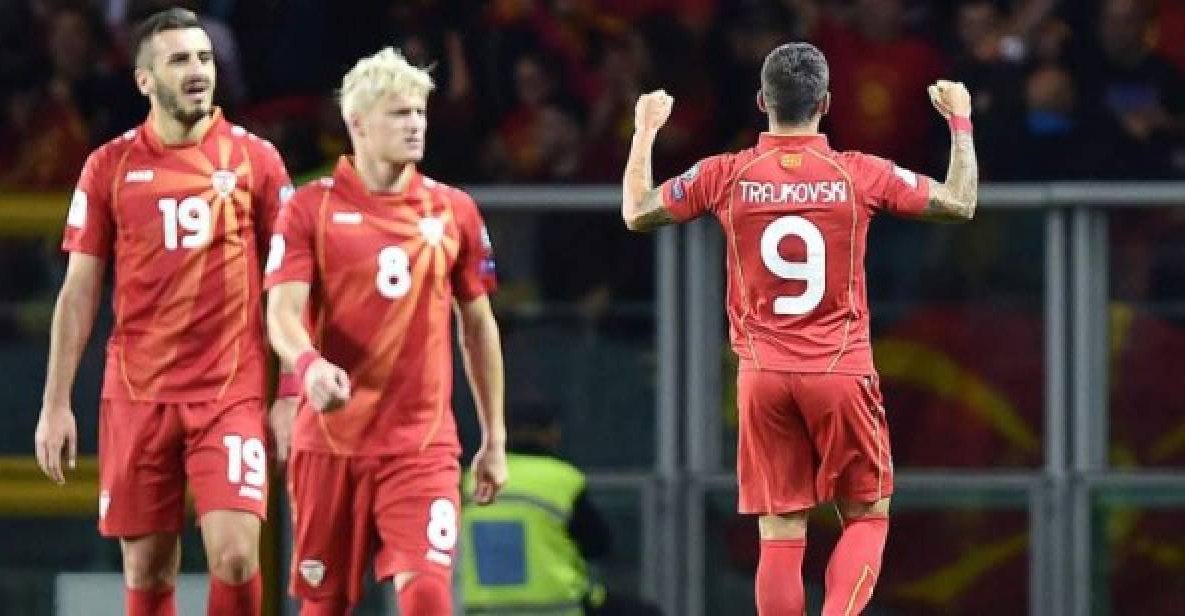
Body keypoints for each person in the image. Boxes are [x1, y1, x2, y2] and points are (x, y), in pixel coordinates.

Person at [620, 43, 978, 615]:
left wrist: (645, 130)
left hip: (762, 377)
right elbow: (960, 203)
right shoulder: (858, 172)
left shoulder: (727, 173)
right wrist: (959, 120)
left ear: (763, 102)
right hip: (840, 369)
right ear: (827, 103)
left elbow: (637, 210)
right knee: (866, 514)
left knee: (780, 529)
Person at [32, 8, 294, 616]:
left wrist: (290, 391)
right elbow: (78, 291)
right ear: (144, 80)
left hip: (230, 390)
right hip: (137, 392)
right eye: (179, 60)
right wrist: (54, 402)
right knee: (146, 570)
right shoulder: (108, 167)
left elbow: (291, 284)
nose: (198, 71)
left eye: (204, 58)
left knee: (234, 556)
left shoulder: (258, 161)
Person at [264, 47, 508, 616]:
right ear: (357, 123)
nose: (415, 125)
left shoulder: (455, 210)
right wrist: (309, 366)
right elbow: (280, 312)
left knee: (426, 595)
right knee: (326, 606)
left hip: (420, 448)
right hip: (329, 444)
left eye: (419, 113)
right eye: (399, 114)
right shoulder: (308, 208)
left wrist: (494, 438)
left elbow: (478, 326)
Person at [460, 399, 659, 616]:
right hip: (559, 608)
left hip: (483, 610)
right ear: (551, 433)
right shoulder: (561, 480)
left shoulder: (471, 481)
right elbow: (598, 545)